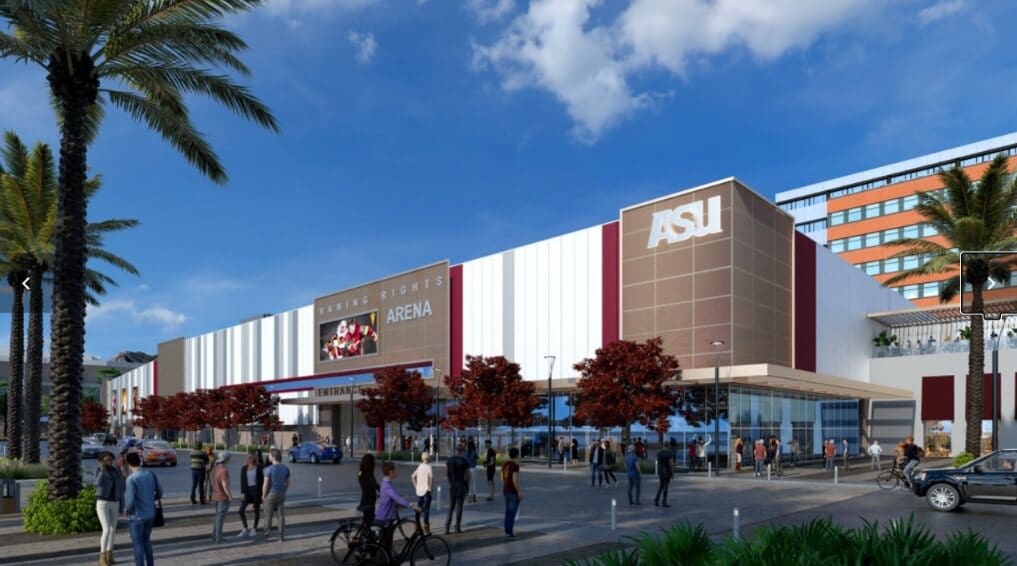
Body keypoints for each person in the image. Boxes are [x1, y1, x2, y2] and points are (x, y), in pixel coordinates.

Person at [376, 461, 422, 556]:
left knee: (385, 546)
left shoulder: (385, 483)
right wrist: (411, 505)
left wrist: (399, 505)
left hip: (385, 517)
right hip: (385, 518)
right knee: (385, 546)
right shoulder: (387, 485)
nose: (397, 472)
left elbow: (390, 499)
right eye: (395, 470)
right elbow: (397, 497)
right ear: (390, 472)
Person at [125, 451, 162, 566]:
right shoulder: (150, 474)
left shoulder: (131, 479)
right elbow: (160, 492)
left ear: (128, 464)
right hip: (150, 513)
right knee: (146, 541)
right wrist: (150, 500)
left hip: (137, 516)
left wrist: (126, 510)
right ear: (139, 461)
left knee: (137, 544)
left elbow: (130, 501)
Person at [95, 451, 125, 566]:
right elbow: (97, 484)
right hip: (102, 502)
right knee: (107, 529)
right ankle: (102, 557)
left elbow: (122, 490)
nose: (110, 462)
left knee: (113, 530)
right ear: (101, 461)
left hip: (115, 502)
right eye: (107, 460)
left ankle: (110, 555)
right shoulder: (99, 471)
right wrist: (102, 471)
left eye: (111, 460)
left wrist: (122, 506)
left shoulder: (117, 472)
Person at [261, 449, 290, 542]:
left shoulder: (268, 469)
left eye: (269, 455)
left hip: (271, 494)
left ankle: (266, 536)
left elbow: (265, 484)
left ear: (273, 457)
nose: (268, 457)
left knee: (268, 516)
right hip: (281, 494)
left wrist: (263, 495)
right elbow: (288, 483)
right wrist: (284, 491)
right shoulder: (285, 468)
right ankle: (281, 536)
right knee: (281, 515)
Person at [445, 444, 470, 534]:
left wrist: (450, 483)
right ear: (462, 451)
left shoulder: (450, 460)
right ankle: (457, 527)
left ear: (456, 450)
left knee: (451, 506)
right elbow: (467, 476)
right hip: (460, 485)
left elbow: (447, 473)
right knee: (459, 506)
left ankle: (447, 526)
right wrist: (467, 487)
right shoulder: (464, 461)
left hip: (453, 485)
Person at [238, 453, 263, 539]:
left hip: (256, 491)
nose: (248, 459)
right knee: (241, 510)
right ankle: (245, 528)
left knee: (256, 510)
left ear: (254, 459)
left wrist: (262, 494)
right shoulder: (243, 468)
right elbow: (242, 481)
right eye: (247, 458)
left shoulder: (258, 468)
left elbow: (262, 482)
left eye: (250, 458)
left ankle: (254, 529)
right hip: (246, 491)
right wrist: (242, 493)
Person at [211, 451, 232, 544]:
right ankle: (218, 539)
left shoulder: (215, 468)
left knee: (217, 518)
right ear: (226, 459)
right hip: (223, 497)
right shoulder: (224, 470)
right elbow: (225, 485)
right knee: (220, 519)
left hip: (216, 495)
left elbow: (212, 481)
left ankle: (215, 537)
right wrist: (230, 495)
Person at [411, 453, 434, 535]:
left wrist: (416, 486)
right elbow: (431, 478)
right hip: (426, 492)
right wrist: (430, 489)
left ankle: (417, 526)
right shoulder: (429, 467)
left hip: (419, 491)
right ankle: (426, 529)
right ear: (428, 459)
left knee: (418, 509)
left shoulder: (420, 466)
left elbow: (412, 476)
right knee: (426, 510)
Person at [501, 447, 521, 539]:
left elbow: (502, 479)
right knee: (511, 514)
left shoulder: (504, 465)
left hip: (506, 490)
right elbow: (515, 480)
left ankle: (507, 531)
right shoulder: (515, 466)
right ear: (517, 455)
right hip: (512, 492)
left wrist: (506, 485)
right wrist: (519, 492)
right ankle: (509, 533)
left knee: (507, 512)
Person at [358, 453, 380, 526]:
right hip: (368, 502)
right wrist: (384, 491)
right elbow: (375, 485)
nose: (374, 465)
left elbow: (367, 486)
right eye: (373, 463)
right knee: (370, 522)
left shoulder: (361, 473)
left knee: (367, 522)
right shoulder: (368, 474)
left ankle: (365, 535)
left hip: (365, 500)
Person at [654, 439, 675, 507]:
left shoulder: (659, 452)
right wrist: (672, 473)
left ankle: (656, 500)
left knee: (660, 486)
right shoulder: (669, 453)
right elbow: (671, 464)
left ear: (663, 445)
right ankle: (664, 502)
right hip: (667, 472)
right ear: (668, 445)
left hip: (661, 472)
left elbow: (659, 461)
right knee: (665, 487)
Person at [466, 438, 479, 503]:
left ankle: (469, 498)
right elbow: (477, 457)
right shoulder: (474, 452)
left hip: (468, 469)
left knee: (469, 484)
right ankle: (474, 497)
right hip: (473, 468)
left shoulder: (466, 452)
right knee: (474, 483)